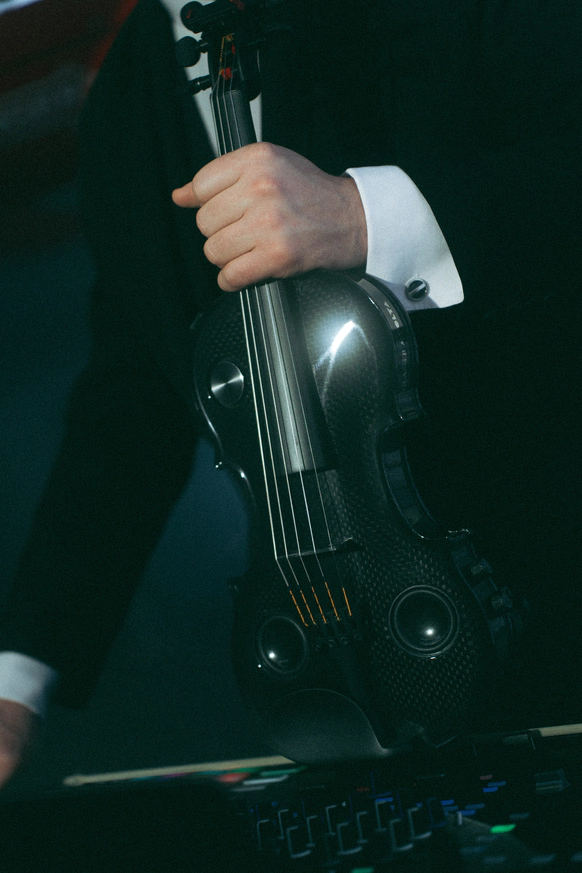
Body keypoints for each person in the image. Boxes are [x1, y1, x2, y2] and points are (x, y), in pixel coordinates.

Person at [0, 0, 580, 788]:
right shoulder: (123, 98)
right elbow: (131, 397)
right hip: (341, 646)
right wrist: (19, 673)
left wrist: (362, 217)